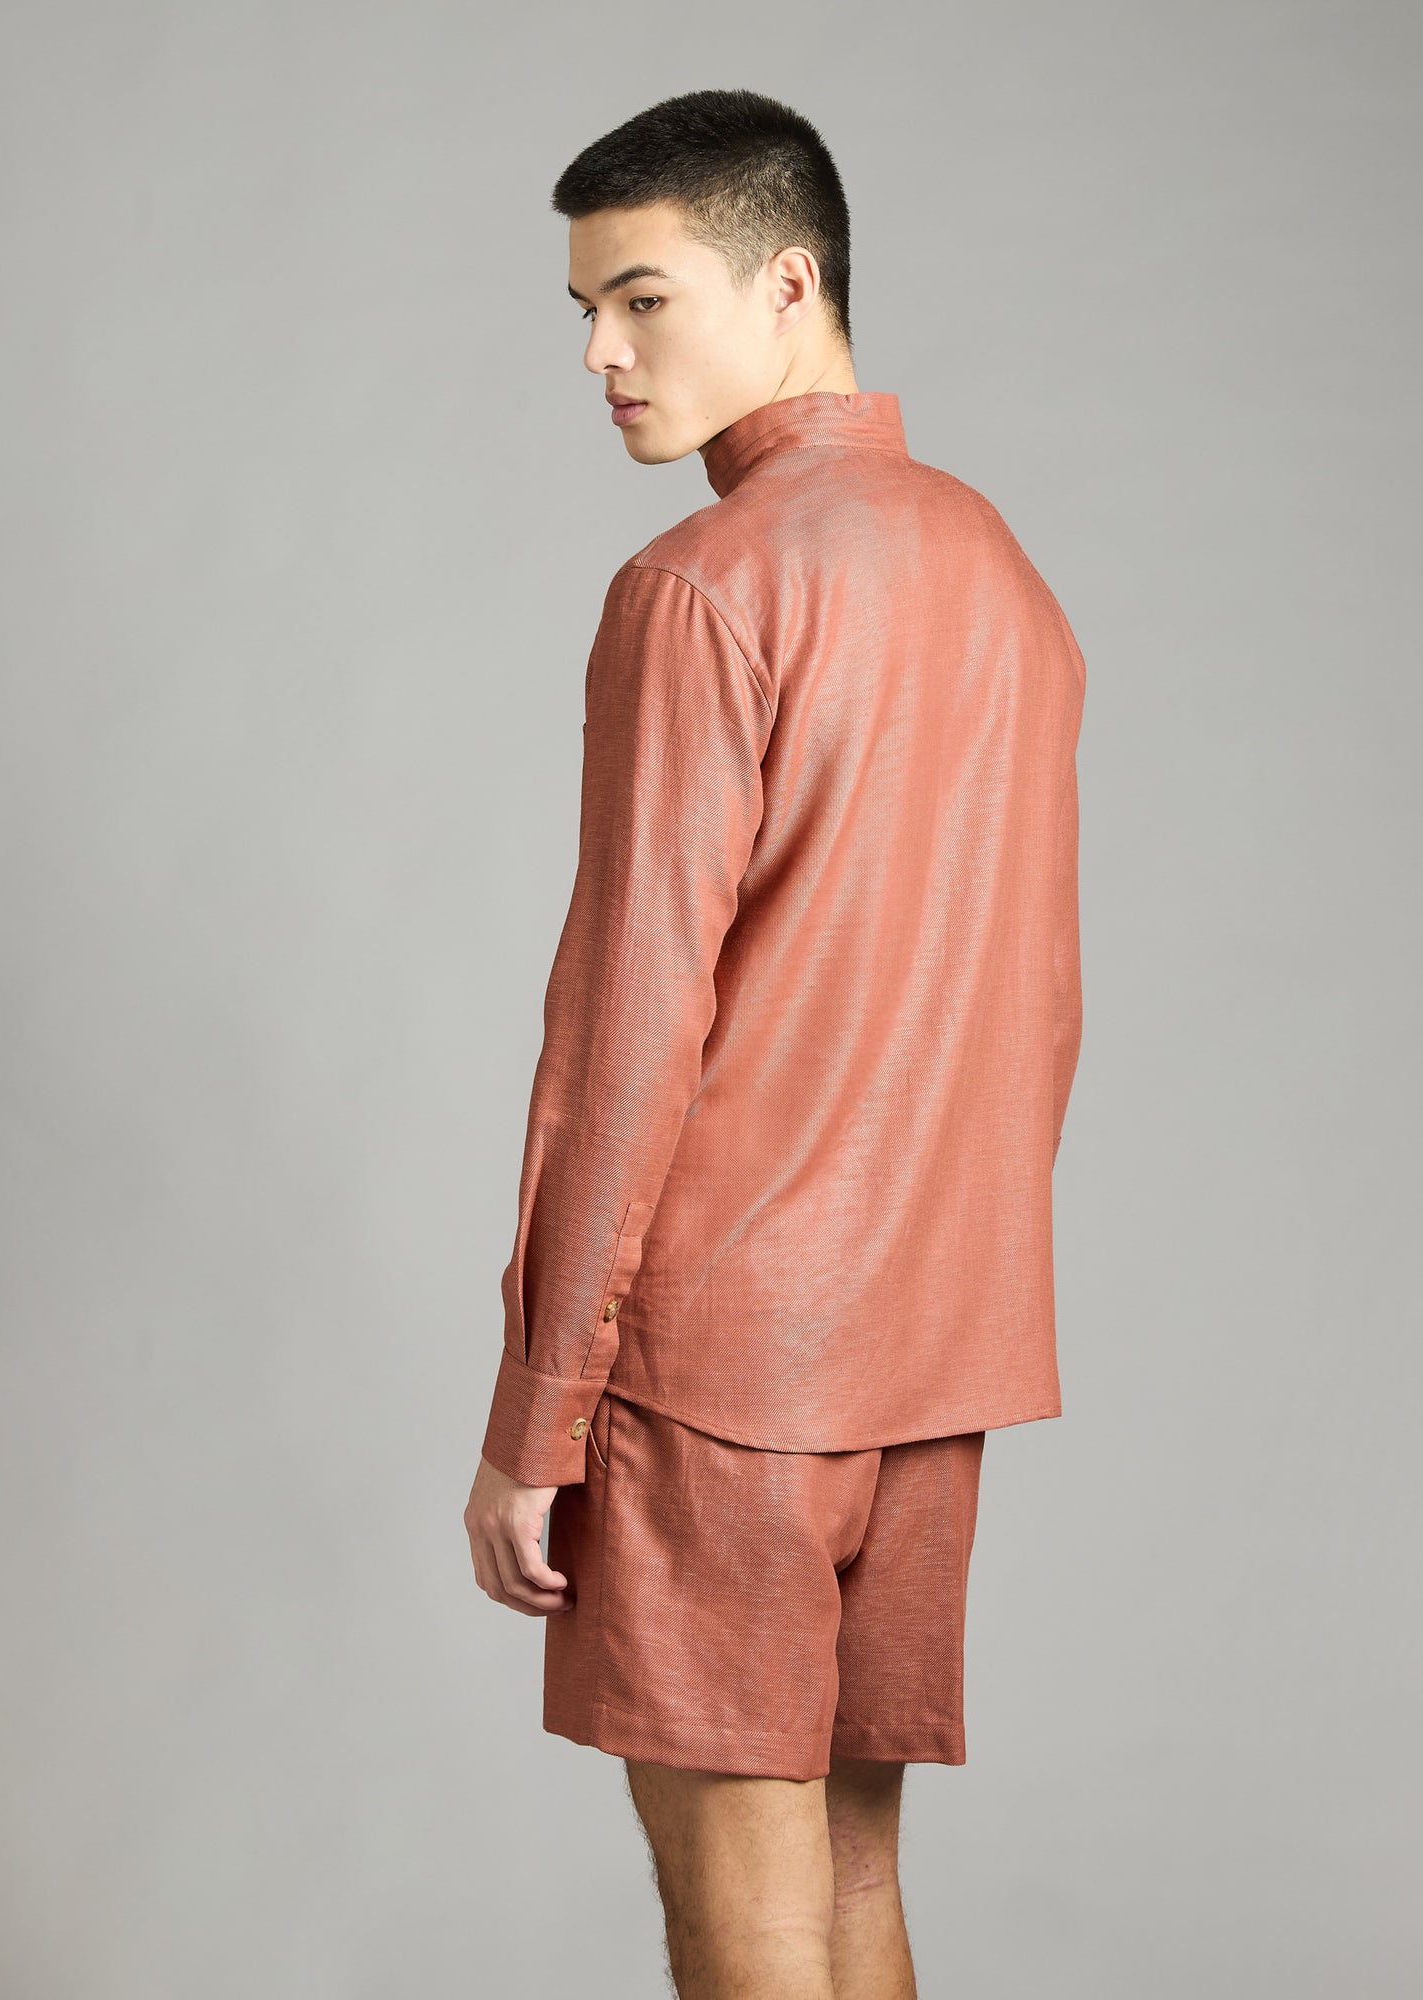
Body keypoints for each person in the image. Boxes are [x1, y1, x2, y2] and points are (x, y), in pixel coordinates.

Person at [463, 86, 1086, 2000]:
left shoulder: (702, 587)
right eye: (586, 311)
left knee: (743, 1930)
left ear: (791, 281)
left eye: (642, 300)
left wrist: (538, 1419)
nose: (600, 353)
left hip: (725, 1370)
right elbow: (1035, 1007)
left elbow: (624, 1038)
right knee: (852, 1889)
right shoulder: (999, 572)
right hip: (931, 1354)